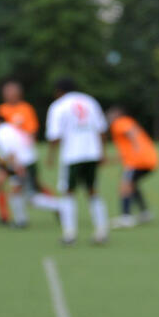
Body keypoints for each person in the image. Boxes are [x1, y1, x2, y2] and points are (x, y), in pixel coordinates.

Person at [46, 77, 109, 245]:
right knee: (93, 191)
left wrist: (50, 156)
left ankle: (69, 234)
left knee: (68, 192)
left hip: (72, 155)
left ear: (59, 91)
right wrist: (103, 152)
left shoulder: (59, 106)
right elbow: (102, 129)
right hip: (92, 152)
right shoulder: (90, 101)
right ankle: (102, 231)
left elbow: (54, 135)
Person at [0, 81, 43, 225]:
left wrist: (26, 151)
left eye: (11, 91)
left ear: (19, 93)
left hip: (21, 155)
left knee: (34, 185)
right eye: (6, 91)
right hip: (8, 156)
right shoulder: (1, 109)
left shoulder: (26, 109)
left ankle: (56, 206)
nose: (8, 94)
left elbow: (32, 132)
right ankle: (4, 216)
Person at [0, 114, 59, 228]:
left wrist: (17, 168)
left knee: (28, 197)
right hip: (30, 160)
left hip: (21, 164)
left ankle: (60, 207)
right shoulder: (9, 128)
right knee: (19, 193)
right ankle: (21, 221)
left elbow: (11, 152)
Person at [106, 106, 159, 228]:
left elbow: (131, 133)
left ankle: (126, 217)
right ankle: (145, 213)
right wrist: (110, 161)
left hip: (137, 161)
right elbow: (124, 151)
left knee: (125, 185)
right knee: (132, 184)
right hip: (150, 159)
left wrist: (136, 146)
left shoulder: (120, 122)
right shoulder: (128, 121)